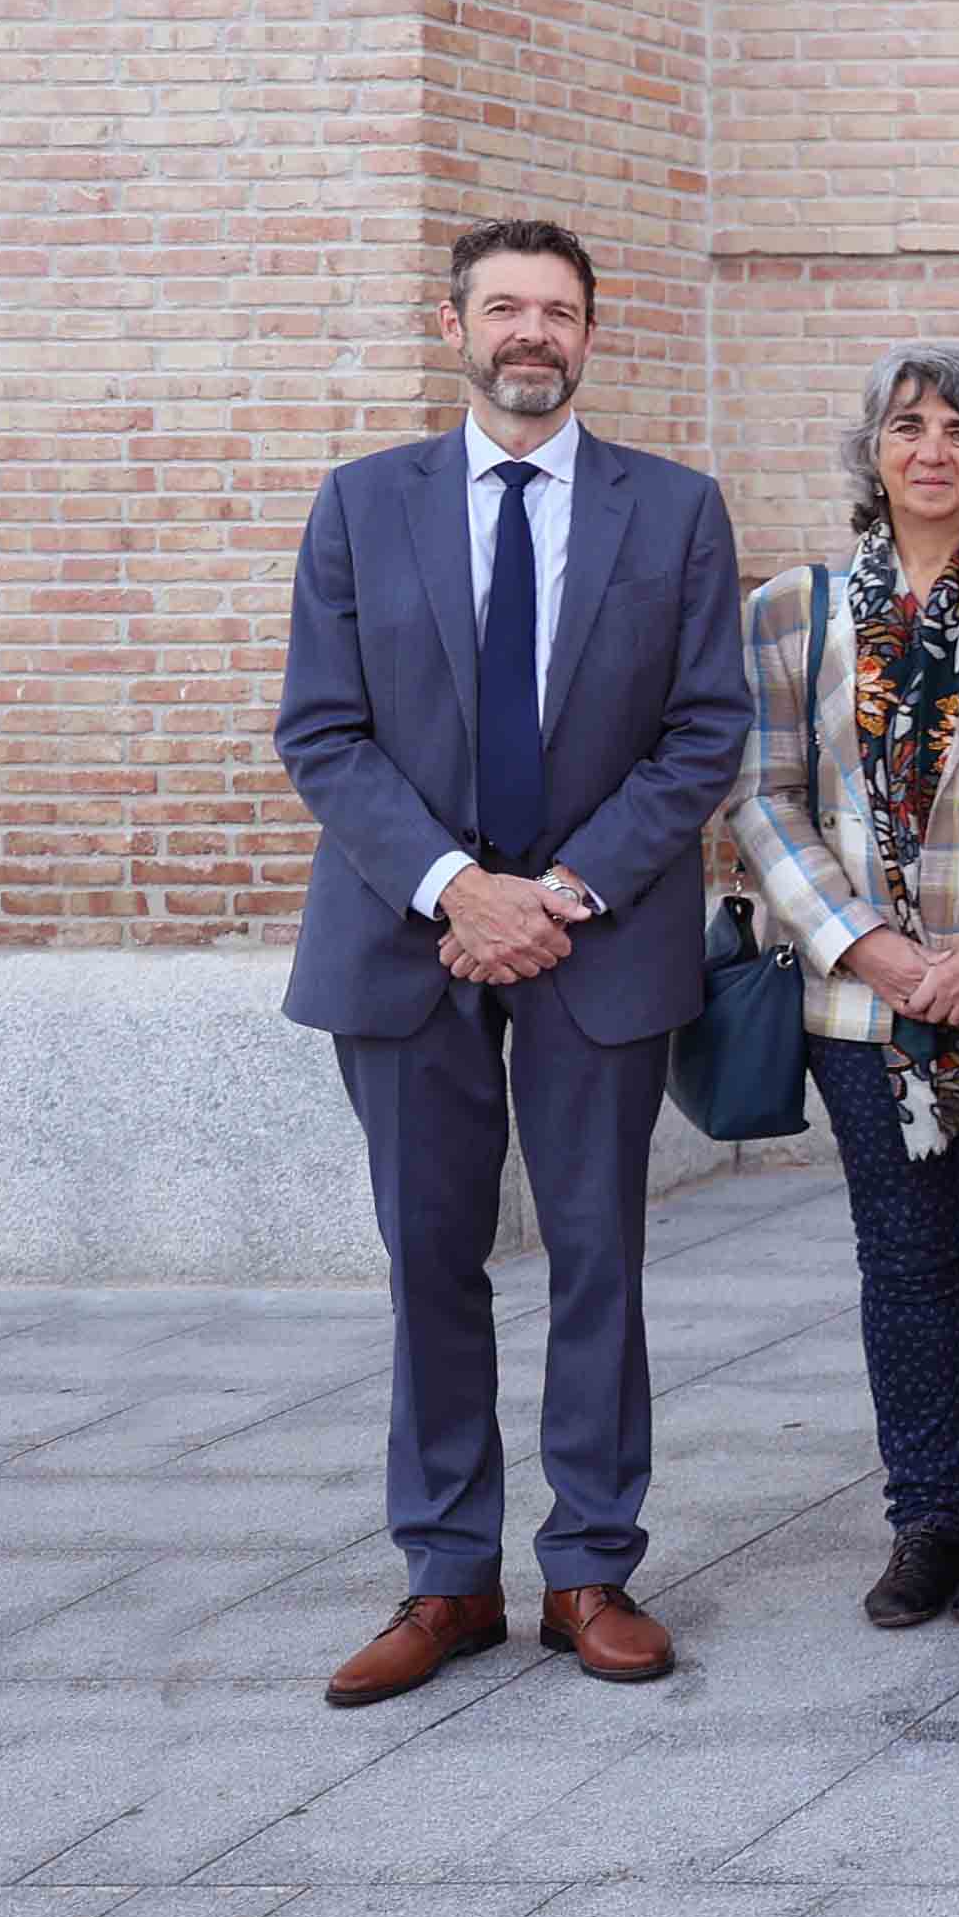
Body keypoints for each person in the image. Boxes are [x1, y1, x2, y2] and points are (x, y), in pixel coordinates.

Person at [278, 221, 748, 1704]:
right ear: (455, 327)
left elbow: (706, 730)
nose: (530, 332)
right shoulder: (363, 505)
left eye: (557, 310)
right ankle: (448, 1577)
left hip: (596, 939)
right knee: (430, 1258)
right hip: (403, 937)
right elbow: (322, 731)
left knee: (600, 1255)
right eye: (503, 309)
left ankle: (591, 1568)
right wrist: (457, 890)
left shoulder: (676, 510)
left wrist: (560, 893)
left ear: (590, 334)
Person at [726, 343, 959, 1634]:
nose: (934, 452)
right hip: (861, 1003)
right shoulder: (792, 608)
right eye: (909, 428)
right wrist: (863, 944)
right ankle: (925, 1520)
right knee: (904, 1264)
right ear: (873, 452)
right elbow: (763, 795)